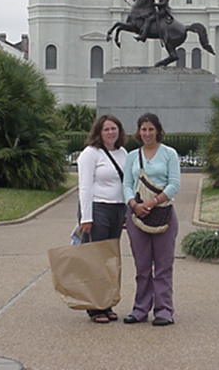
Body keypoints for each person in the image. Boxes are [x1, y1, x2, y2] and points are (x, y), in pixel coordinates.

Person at [122, 113, 181, 326]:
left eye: (150, 129)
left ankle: (164, 310)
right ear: (138, 132)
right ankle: (140, 309)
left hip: (162, 213)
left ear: (158, 131)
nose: (147, 133)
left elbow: (174, 184)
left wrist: (152, 202)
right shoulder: (132, 156)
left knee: (163, 265)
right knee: (142, 265)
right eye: (143, 129)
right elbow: (126, 183)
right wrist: (134, 204)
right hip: (137, 216)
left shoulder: (169, 154)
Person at [76, 114, 128, 324]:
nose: (110, 132)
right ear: (98, 132)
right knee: (96, 258)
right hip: (98, 209)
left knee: (109, 259)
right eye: (106, 129)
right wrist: (86, 218)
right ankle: (94, 307)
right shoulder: (90, 154)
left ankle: (107, 304)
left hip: (117, 209)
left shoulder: (123, 152)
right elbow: (85, 187)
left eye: (113, 128)